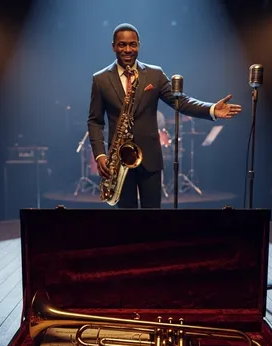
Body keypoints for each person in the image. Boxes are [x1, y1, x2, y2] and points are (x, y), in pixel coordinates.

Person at [88, 23, 242, 208]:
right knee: (126, 222)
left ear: (139, 45)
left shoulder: (155, 74)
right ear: (113, 46)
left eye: (133, 44)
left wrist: (211, 109)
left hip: (150, 158)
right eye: (122, 45)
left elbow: (181, 102)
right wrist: (100, 156)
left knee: (154, 219)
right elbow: (95, 121)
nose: (128, 49)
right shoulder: (100, 79)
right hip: (118, 161)